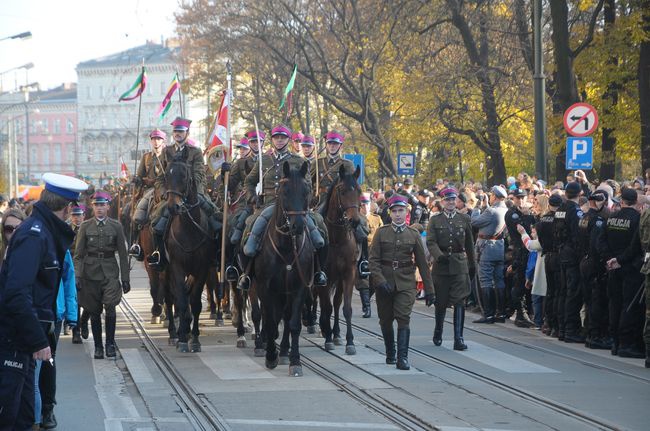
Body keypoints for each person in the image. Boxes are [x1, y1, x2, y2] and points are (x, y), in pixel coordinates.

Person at [0, 173, 87, 430]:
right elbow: (16, 293)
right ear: (66, 207)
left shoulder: (44, 233)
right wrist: (38, 339)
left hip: (24, 342)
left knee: (25, 418)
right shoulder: (35, 236)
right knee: (8, 415)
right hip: (14, 340)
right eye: (73, 207)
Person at [237, 125, 325, 291]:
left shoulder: (299, 161)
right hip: (268, 204)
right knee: (249, 226)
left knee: (319, 227)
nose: (279, 140)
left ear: (288, 140)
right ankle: (246, 274)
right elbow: (249, 182)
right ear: (272, 140)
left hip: (293, 207)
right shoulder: (264, 160)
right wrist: (252, 197)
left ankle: (319, 271)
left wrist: (305, 201)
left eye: (283, 138)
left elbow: (307, 185)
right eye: (276, 137)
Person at [368, 194, 434, 370]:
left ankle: (402, 358)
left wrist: (430, 290)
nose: (398, 214)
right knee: (385, 320)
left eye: (401, 210)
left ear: (407, 212)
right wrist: (380, 281)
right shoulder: (381, 233)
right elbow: (373, 261)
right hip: (385, 283)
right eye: (395, 211)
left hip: (406, 283)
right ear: (389, 213)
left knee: (403, 318)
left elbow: (423, 264)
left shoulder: (413, 234)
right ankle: (390, 352)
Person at [148, 117, 219, 270]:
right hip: (172, 193)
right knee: (156, 222)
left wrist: (191, 189)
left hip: (193, 193)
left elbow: (200, 173)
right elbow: (161, 177)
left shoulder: (196, 152)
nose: (178, 134)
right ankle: (158, 253)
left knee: (216, 217)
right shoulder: (167, 151)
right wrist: (162, 191)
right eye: (175, 131)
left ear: (187, 133)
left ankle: (216, 255)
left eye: (181, 131)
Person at [73, 191, 130, 360]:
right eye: (96, 205)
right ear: (92, 207)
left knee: (111, 307)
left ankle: (110, 344)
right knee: (94, 310)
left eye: (102, 205)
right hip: (90, 274)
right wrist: (77, 275)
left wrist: (125, 279)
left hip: (110, 272)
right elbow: (78, 255)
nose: (99, 208)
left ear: (108, 206)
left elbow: (123, 253)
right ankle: (98, 346)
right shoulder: (85, 226)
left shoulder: (116, 226)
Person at [313, 131, 369, 277]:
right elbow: (308, 182)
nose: (332, 146)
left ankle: (364, 262)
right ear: (326, 145)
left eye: (335, 144)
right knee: (311, 225)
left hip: (342, 203)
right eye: (330, 143)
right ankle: (312, 260)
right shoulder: (318, 163)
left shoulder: (347, 164)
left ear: (340, 146)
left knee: (362, 226)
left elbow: (351, 185)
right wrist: (313, 195)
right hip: (322, 202)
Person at [427, 187, 476, 350]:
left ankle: (458, 338)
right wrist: (438, 255)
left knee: (460, 301)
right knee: (440, 303)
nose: (450, 202)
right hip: (441, 267)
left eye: (453, 199)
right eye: (447, 200)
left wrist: (472, 264)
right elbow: (431, 242)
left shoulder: (464, 219)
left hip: (459, 265)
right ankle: (438, 330)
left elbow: (469, 244)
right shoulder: (435, 220)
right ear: (442, 202)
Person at [600, 188, 645, 358]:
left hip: (613, 267)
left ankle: (615, 342)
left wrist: (610, 259)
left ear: (622, 201)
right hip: (630, 267)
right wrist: (619, 260)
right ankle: (626, 344)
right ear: (636, 202)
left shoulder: (611, 218)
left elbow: (601, 240)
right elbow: (635, 247)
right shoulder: (638, 219)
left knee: (614, 304)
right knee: (629, 305)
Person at [578, 190, 611, 349]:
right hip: (594, 263)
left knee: (589, 299)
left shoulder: (584, 217)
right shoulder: (597, 220)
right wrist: (605, 261)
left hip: (584, 261)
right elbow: (597, 245)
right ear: (597, 202)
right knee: (596, 299)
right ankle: (595, 335)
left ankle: (589, 332)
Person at [470, 186, 508, 324]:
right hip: (499, 247)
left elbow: (474, 222)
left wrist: (477, 207)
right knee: (499, 280)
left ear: (494, 196)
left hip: (486, 248)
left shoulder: (492, 211)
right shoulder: (505, 210)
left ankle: (489, 313)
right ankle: (501, 312)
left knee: (485, 280)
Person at [553, 182, 585, 342]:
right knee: (573, 293)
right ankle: (571, 330)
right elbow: (577, 236)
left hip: (561, 253)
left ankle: (562, 329)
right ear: (580, 193)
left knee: (563, 291)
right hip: (572, 256)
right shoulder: (575, 211)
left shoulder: (560, 209)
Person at [129, 129, 168, 260]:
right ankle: (136, 244)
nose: (156, 142)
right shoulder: (146, 157)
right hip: (149, 191)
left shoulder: (169, 155)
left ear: (164, 141)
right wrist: (137, 179)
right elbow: (140, 175)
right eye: (153, 139)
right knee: (134, 213)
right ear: (151, 141)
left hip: (166, 189)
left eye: (159, 139)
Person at [505, 188, 537, 328]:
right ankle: (520, 313)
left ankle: (526, 312)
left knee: (527, 282)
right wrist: (526, 216)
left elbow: (534, 228)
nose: (521, 200)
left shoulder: (528, 213)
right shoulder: (512, 214)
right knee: (520, 282)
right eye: (518, 198)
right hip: (520, 250)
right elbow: (521, 229)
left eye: (523, 197)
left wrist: (528, 216)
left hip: (530, 249)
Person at [536, 193, 563, 337]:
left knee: (550, 292)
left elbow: (540, 239)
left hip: (547, 256)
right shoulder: (559, 219)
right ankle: (556, 326)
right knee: (558, 291)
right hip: (558, 255)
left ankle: (548, 323)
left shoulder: (541, 220)